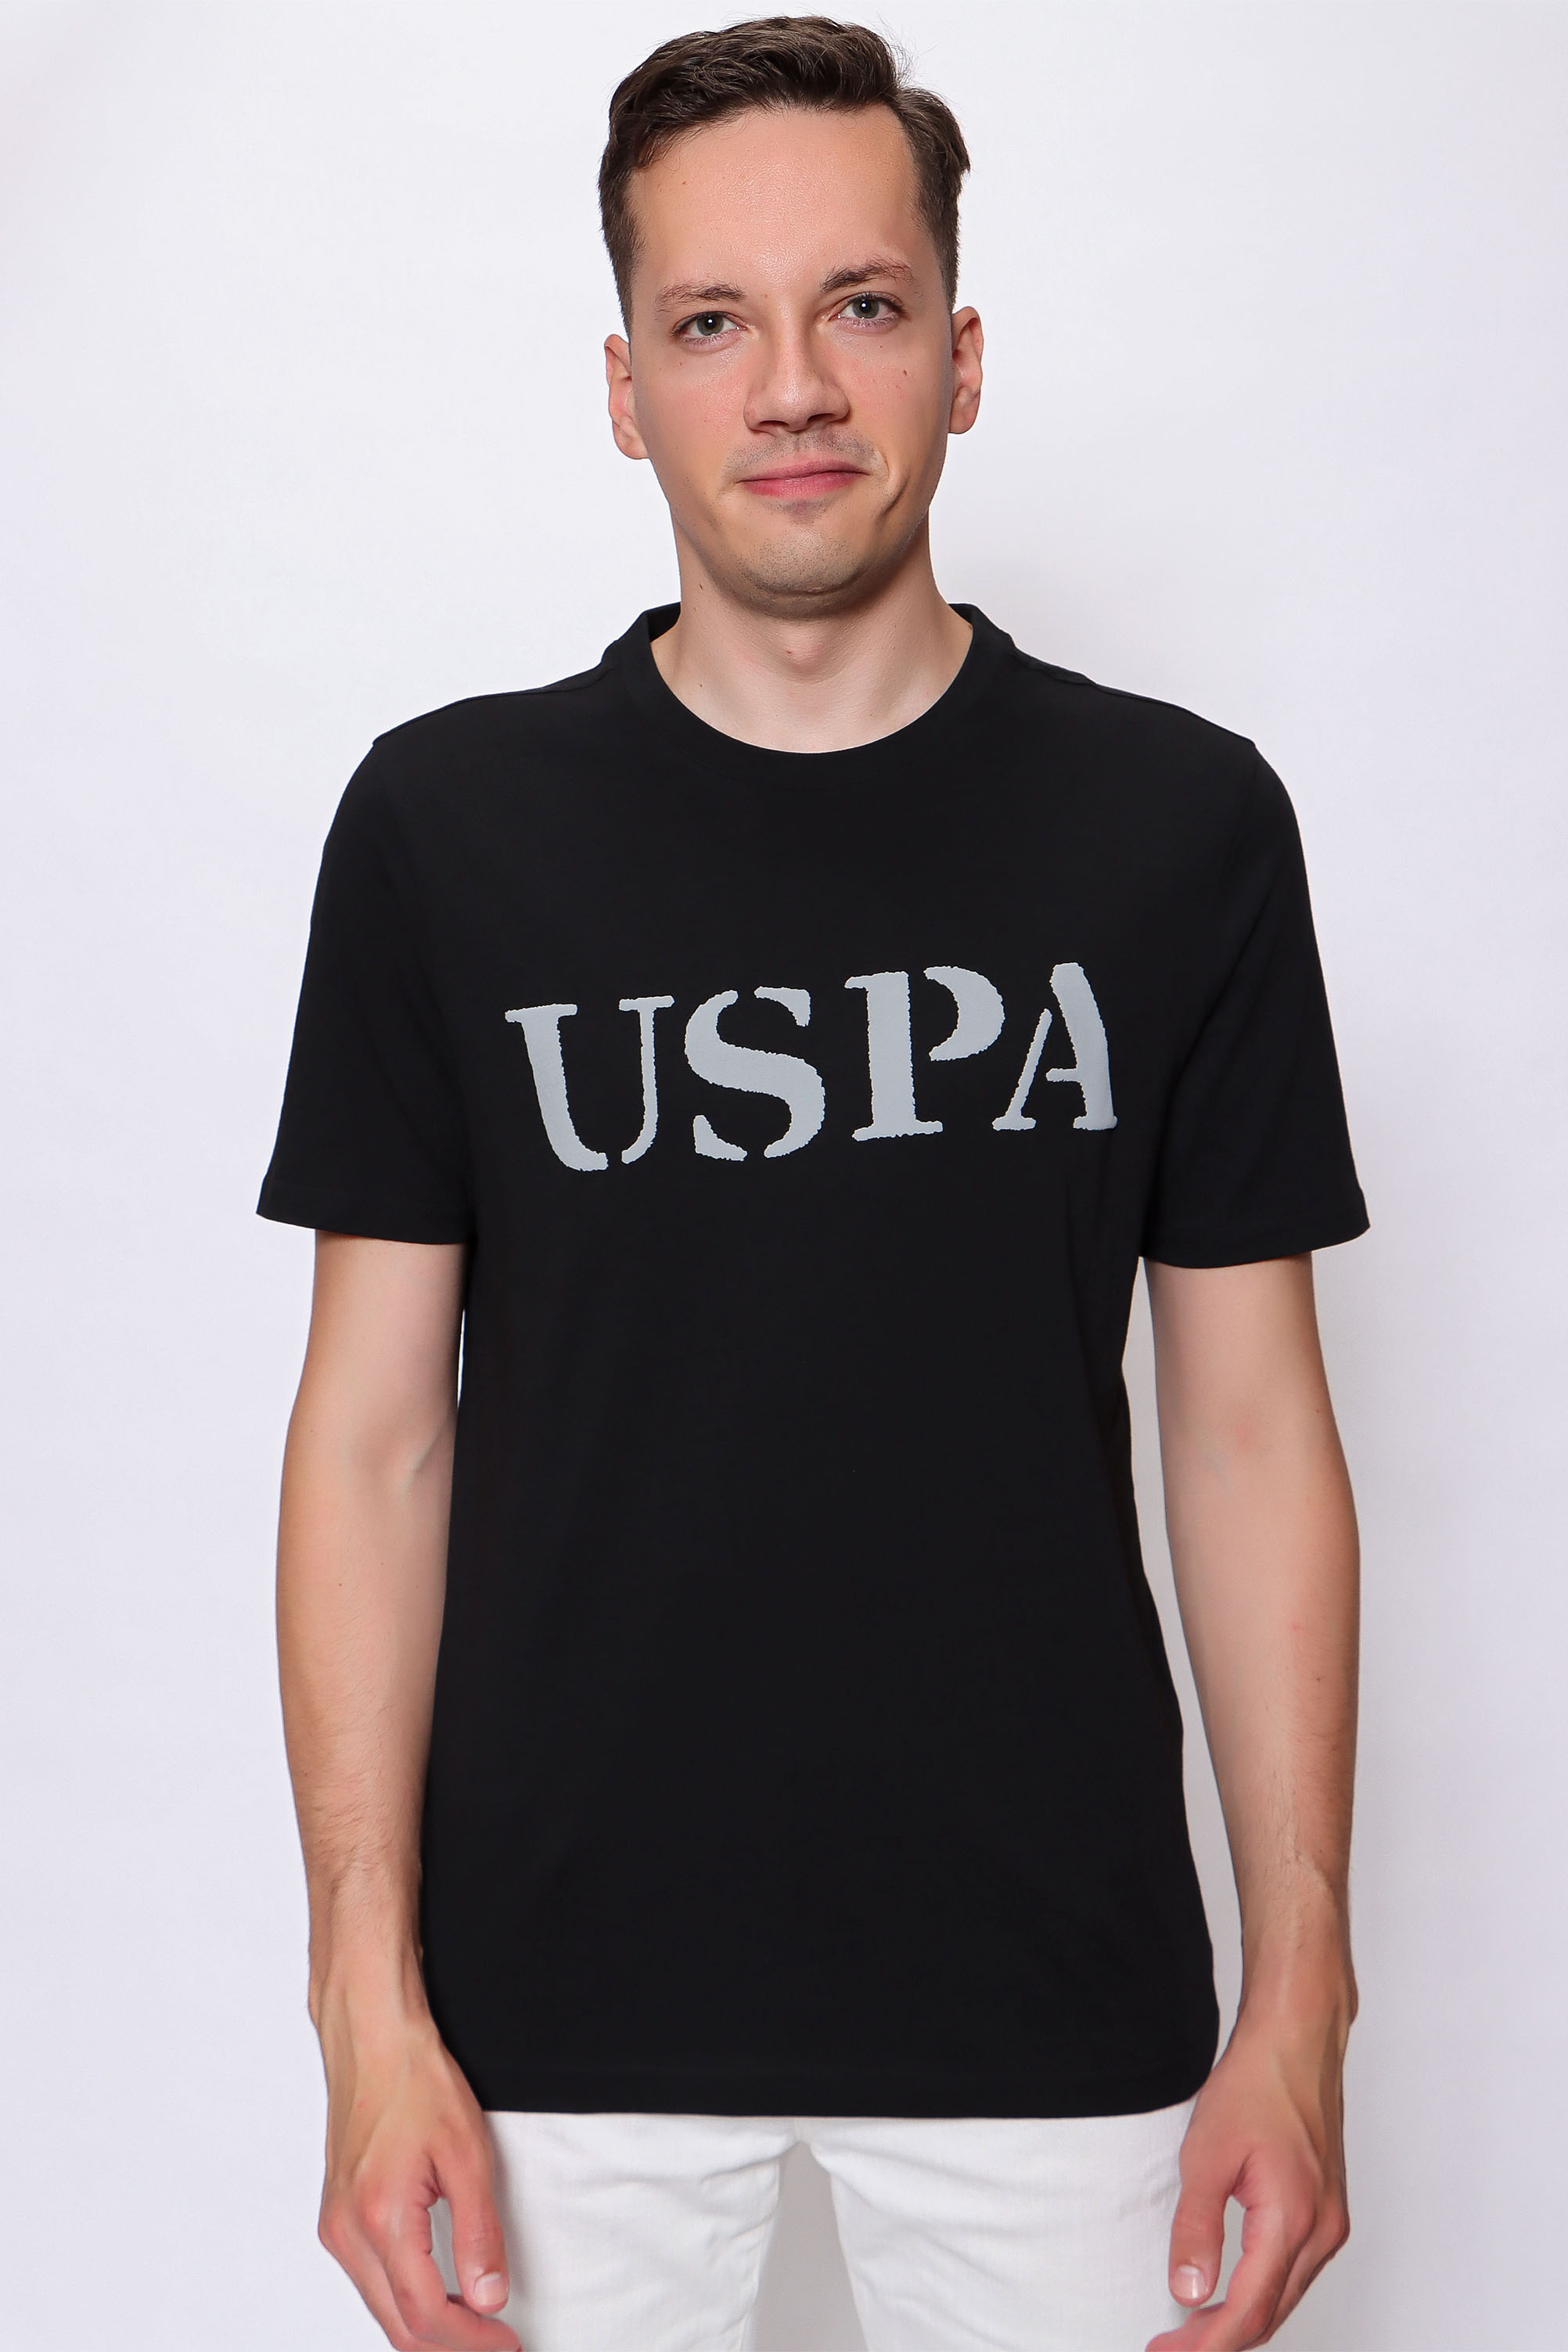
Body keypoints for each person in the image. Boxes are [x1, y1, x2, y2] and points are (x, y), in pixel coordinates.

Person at [259, 18, 1366, 2351]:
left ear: (959, 356)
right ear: (623, 386)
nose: (788, 386)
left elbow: (1253, 1423)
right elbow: (370, 1438)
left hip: (1057, 1997)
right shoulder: (448, 833)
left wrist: (1300, 1995)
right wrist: (365, 2010)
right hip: (544, 2023)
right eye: (708, 321)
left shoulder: (1181, 828)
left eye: (859, 305)